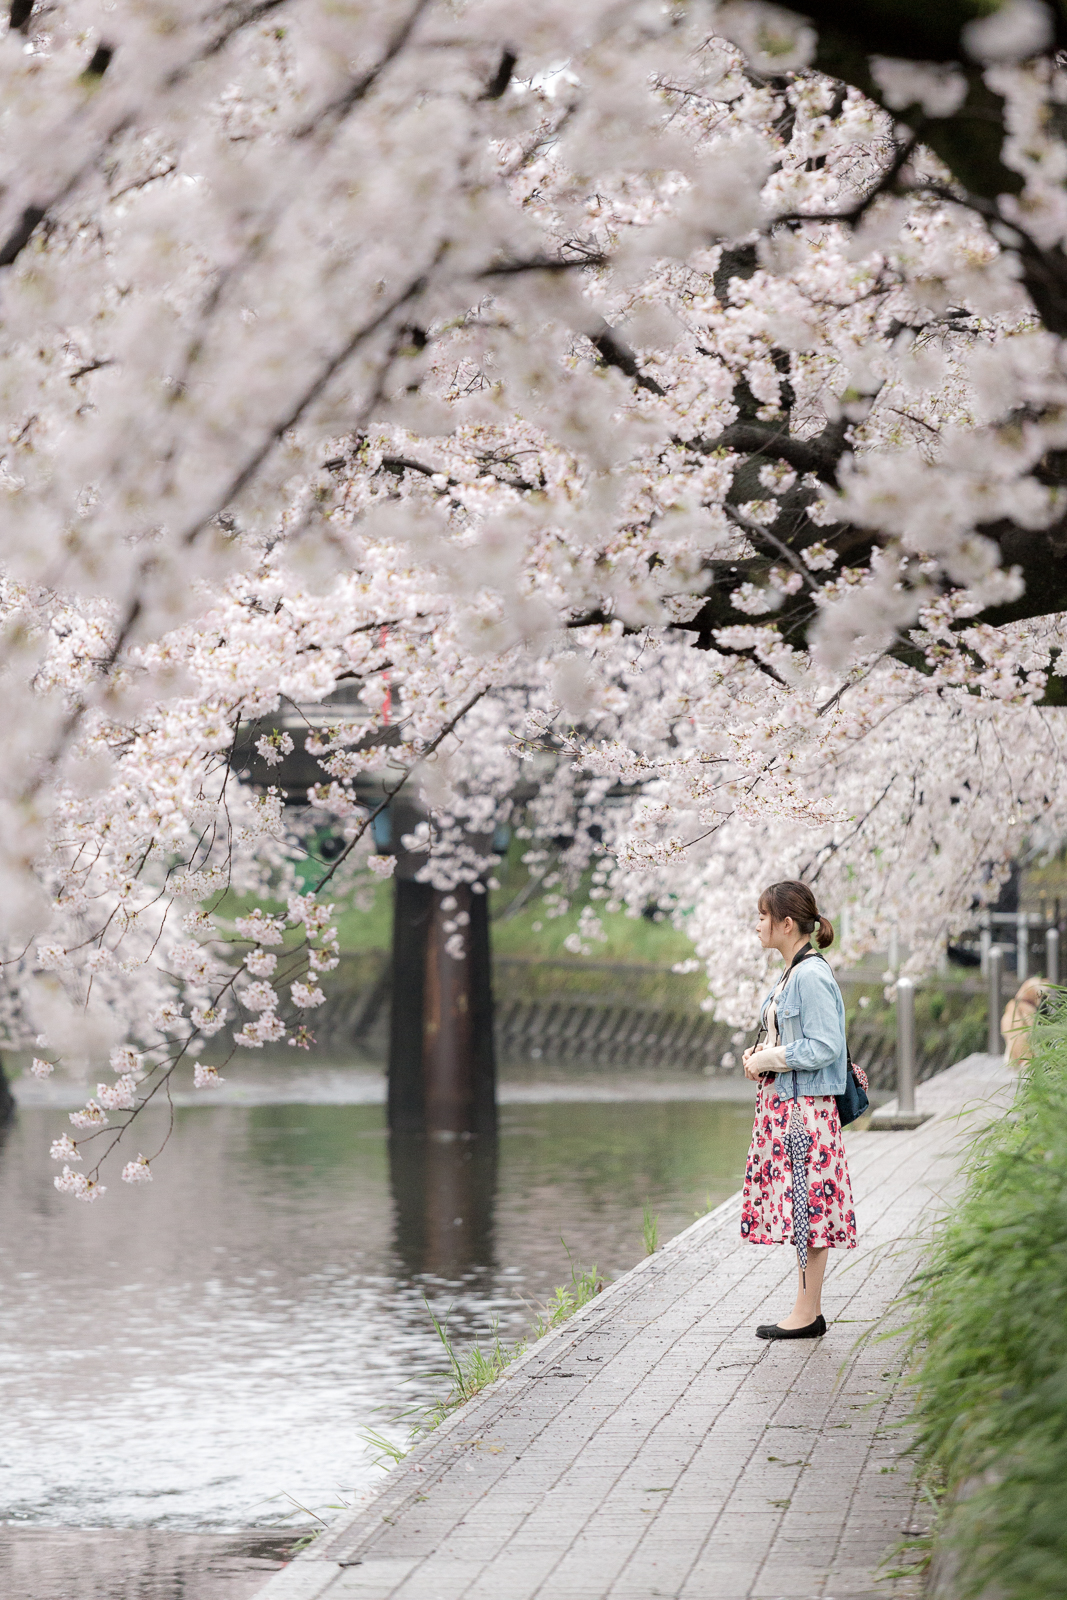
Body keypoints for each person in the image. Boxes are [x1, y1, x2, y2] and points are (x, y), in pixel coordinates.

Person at [740, 880, 857, 1340]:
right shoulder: (794, 971)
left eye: (763, 917)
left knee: (809, 1207)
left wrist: (769, 1059)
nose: (757, 925)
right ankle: (806, 1309)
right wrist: (759, 1055)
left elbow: (826, 1045)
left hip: (803, 1112)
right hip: (790, 1108)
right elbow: (790, 1035)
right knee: (801, 1206)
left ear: (786, 924)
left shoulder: (809, 974)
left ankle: (806, 1314)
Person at [1001, 975, 1051, 1068]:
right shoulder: (1027, 1014)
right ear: (1033, 993)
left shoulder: (1010, 1010)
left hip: (1012, 1061)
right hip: (1026, 1062)